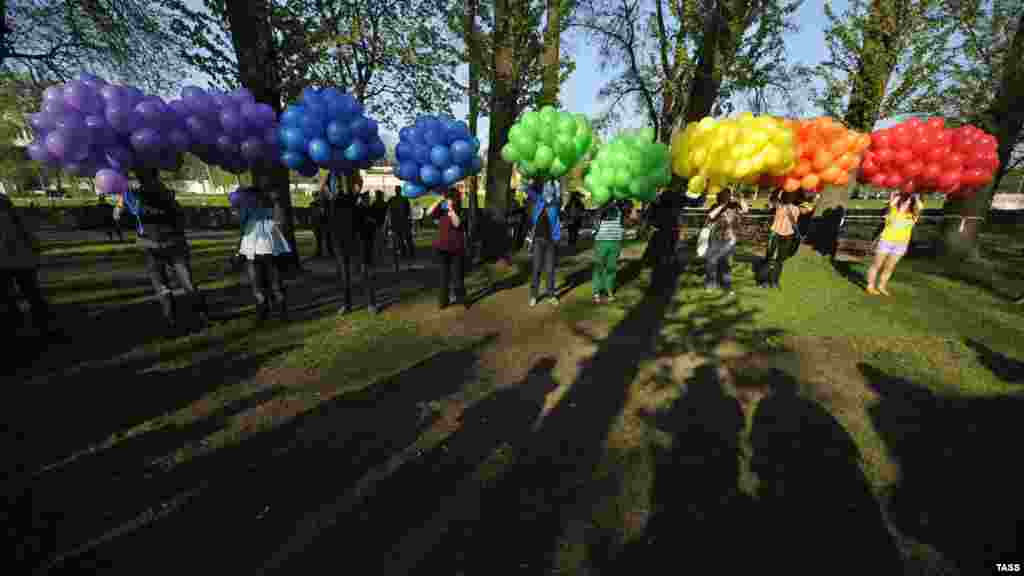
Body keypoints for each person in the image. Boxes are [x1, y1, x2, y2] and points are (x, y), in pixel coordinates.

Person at [123, 168, 210, 333]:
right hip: (171, 244)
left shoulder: (140, 197)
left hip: (156, 245)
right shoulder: (166, 194)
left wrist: (125, 194)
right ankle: (200, 317)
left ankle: (173, 321)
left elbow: (134, 213)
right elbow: (179, 217)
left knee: (163, 285)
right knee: (185, 283)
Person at [0, 193, 58, 340]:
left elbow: (26, 236)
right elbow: (28, 235)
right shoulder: (14, 215)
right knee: (31, 293)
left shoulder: (12, 217)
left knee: (12, 297)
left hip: (9, 262)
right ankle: (42, 325)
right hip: (22, 261)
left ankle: (19, 327)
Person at [320, 170, 372, 315]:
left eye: (338, 182)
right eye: (334, 183)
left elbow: (358, 184)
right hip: (338, 238)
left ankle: (370, 303)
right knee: (344, 273)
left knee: (363, 269)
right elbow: (322, 186)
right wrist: (328, 171)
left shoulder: (352, 196)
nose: (336, 184)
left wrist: (351, 170)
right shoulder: (331, 199)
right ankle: (347, 304)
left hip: (355, 236)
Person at [236, 187, 291, 320]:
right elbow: (243, 229)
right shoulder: (251, 211)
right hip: (255, 251)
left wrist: (276, 202)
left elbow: (280, 222)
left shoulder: (267, 211)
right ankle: (267, 310)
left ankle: (274, 310)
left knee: (266, 283)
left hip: (265, 251)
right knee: (261, 283)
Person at [866, 191, 922, 296]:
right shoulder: (892, 210)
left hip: (901, 245)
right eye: (905, 200)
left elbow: (919, 206)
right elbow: (893, 198)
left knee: (889, 267)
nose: (907, 202)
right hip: (886, 241)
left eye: (909, 201)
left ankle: (882, 286)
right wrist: (899, 194)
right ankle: (870, 286)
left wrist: (914, 195)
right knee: (877, 265)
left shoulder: (913, 215)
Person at [760, 189, 813, 289]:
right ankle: (764, 281)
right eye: (788, 195)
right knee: (769, 258)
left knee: (780, 260)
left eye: (792, 195)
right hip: (775, 233)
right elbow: (771, 201)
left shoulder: (798, 207)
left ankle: (774, 281)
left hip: (788, 235)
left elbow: (809, 208)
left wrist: (800, 199)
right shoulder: (779, 205)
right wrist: (781, 190)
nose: (790, 197)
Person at [522, 177, 561, 307]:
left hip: (550, 241)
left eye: (550, 189)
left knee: (550, 270)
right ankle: (534, 296)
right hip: (538, 240)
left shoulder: (555, 203)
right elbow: (526, 190)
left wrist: (555, 185)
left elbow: (559, 194)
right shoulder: (539, 200)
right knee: (536, 269)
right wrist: (531, 182)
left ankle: (551, 295)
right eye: (546, 189)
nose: (547, 191)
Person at [704, 189, 749, 296]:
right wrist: (722, 206)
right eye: (724, 196)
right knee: (711, 262)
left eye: (728, 196)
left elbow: (746, 210)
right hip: (716, 238)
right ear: (720, 196)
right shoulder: (715, 206)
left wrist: (740, 198)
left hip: (730, 239)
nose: (727, 198)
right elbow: (710, 216)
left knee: (727, 264)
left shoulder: (734, 205)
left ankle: (727, 286)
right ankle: (711, 284)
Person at [429, 188, 466, 309]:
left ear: (455, 200)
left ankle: (460, 299)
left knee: (457, 277)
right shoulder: (441, 211)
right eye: (447, 198)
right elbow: (428, 213)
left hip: (456, 249)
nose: (448, 201)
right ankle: (443, 301)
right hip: (442, 248)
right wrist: (439, 200)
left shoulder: (460, 211)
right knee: (443, 277)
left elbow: (457, 223)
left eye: (450, 198)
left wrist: (451, 210)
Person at [591, 200, 625, 304]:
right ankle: (596, 292)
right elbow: (595, 223)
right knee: (599, 266)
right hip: (602, 241)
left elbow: (623, 223)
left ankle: (608, 290)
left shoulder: (620, 208)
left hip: (615, 241)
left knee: (611, 267)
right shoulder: (601, 208)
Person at [385, 186, 414, 272]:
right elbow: (408, 213)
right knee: (402, 241)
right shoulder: (402, 200)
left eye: (397, 190)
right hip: (400, 224)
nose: (397, 191)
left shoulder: (394, 200)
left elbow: (388, 211)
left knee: (400, 241)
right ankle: (405, 257)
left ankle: (403, 257)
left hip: (398, 224)